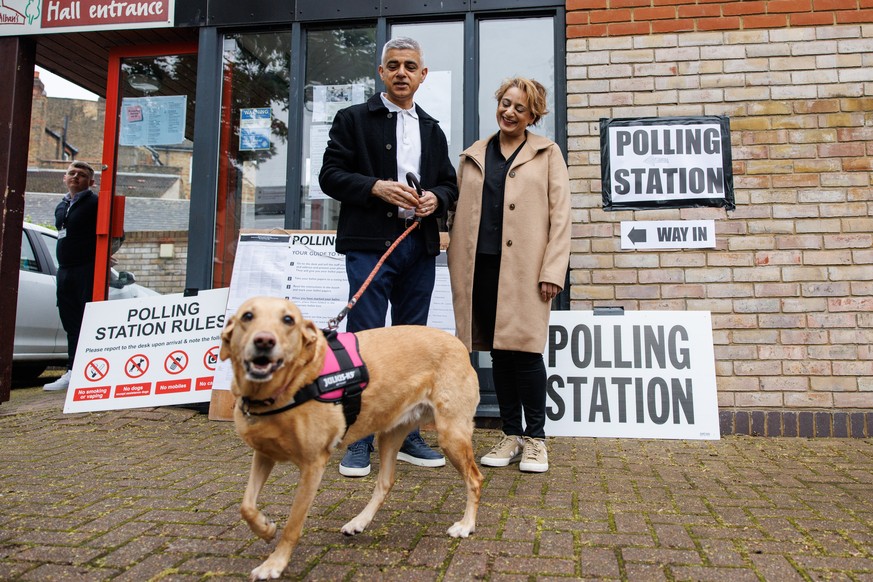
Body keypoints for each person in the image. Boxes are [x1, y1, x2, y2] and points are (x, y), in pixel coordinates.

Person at [318, 37, 459, 477]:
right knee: (364, 343)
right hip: (368, 245)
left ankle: (408, 434)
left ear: (422, 75)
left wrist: (436, 197)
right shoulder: (352, 119)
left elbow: (449, 185)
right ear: (381, 73)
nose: (401, 72)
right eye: (393, 65)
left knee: (413, 345)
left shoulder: (433, 128)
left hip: (418, 247)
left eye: (410, 66)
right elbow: (330, 176)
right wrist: (375, 187)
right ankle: (357, 436)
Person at [447, 77, 570, 473]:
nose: (509, 112)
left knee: (527, 352)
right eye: (505, 103)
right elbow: (456, 210)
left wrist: (553, 269)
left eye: (520, 107)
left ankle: (536, 439)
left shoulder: (547, 154)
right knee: (499, 352)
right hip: (480, 266)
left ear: (533, 115)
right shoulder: (473, 156)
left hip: (526, 270)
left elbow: (562, 218)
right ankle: (510, 433)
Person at [43, 161, 100, 391]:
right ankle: (72, 371)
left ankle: (89, 370)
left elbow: (116, 233)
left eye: (82, 175)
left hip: (86, 269)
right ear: (64, 178)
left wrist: (106, 253)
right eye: (72, 173)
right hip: (65, 270)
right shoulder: (62, 205)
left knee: (88, 321)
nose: (76, 177)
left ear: (91, 182)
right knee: (71, 323)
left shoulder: (95, 203)